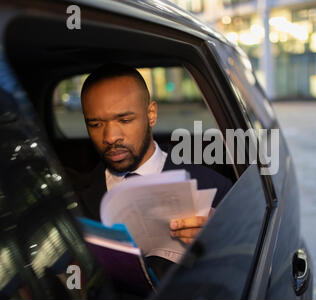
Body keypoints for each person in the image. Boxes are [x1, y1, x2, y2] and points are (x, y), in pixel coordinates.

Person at [73, 63, 232, 279]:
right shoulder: (73, 197)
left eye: (125, 120)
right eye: (95, 124)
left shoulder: (214, 188)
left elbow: (239, 269)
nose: (110, 137)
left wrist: (218, 242)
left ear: (151, 114)